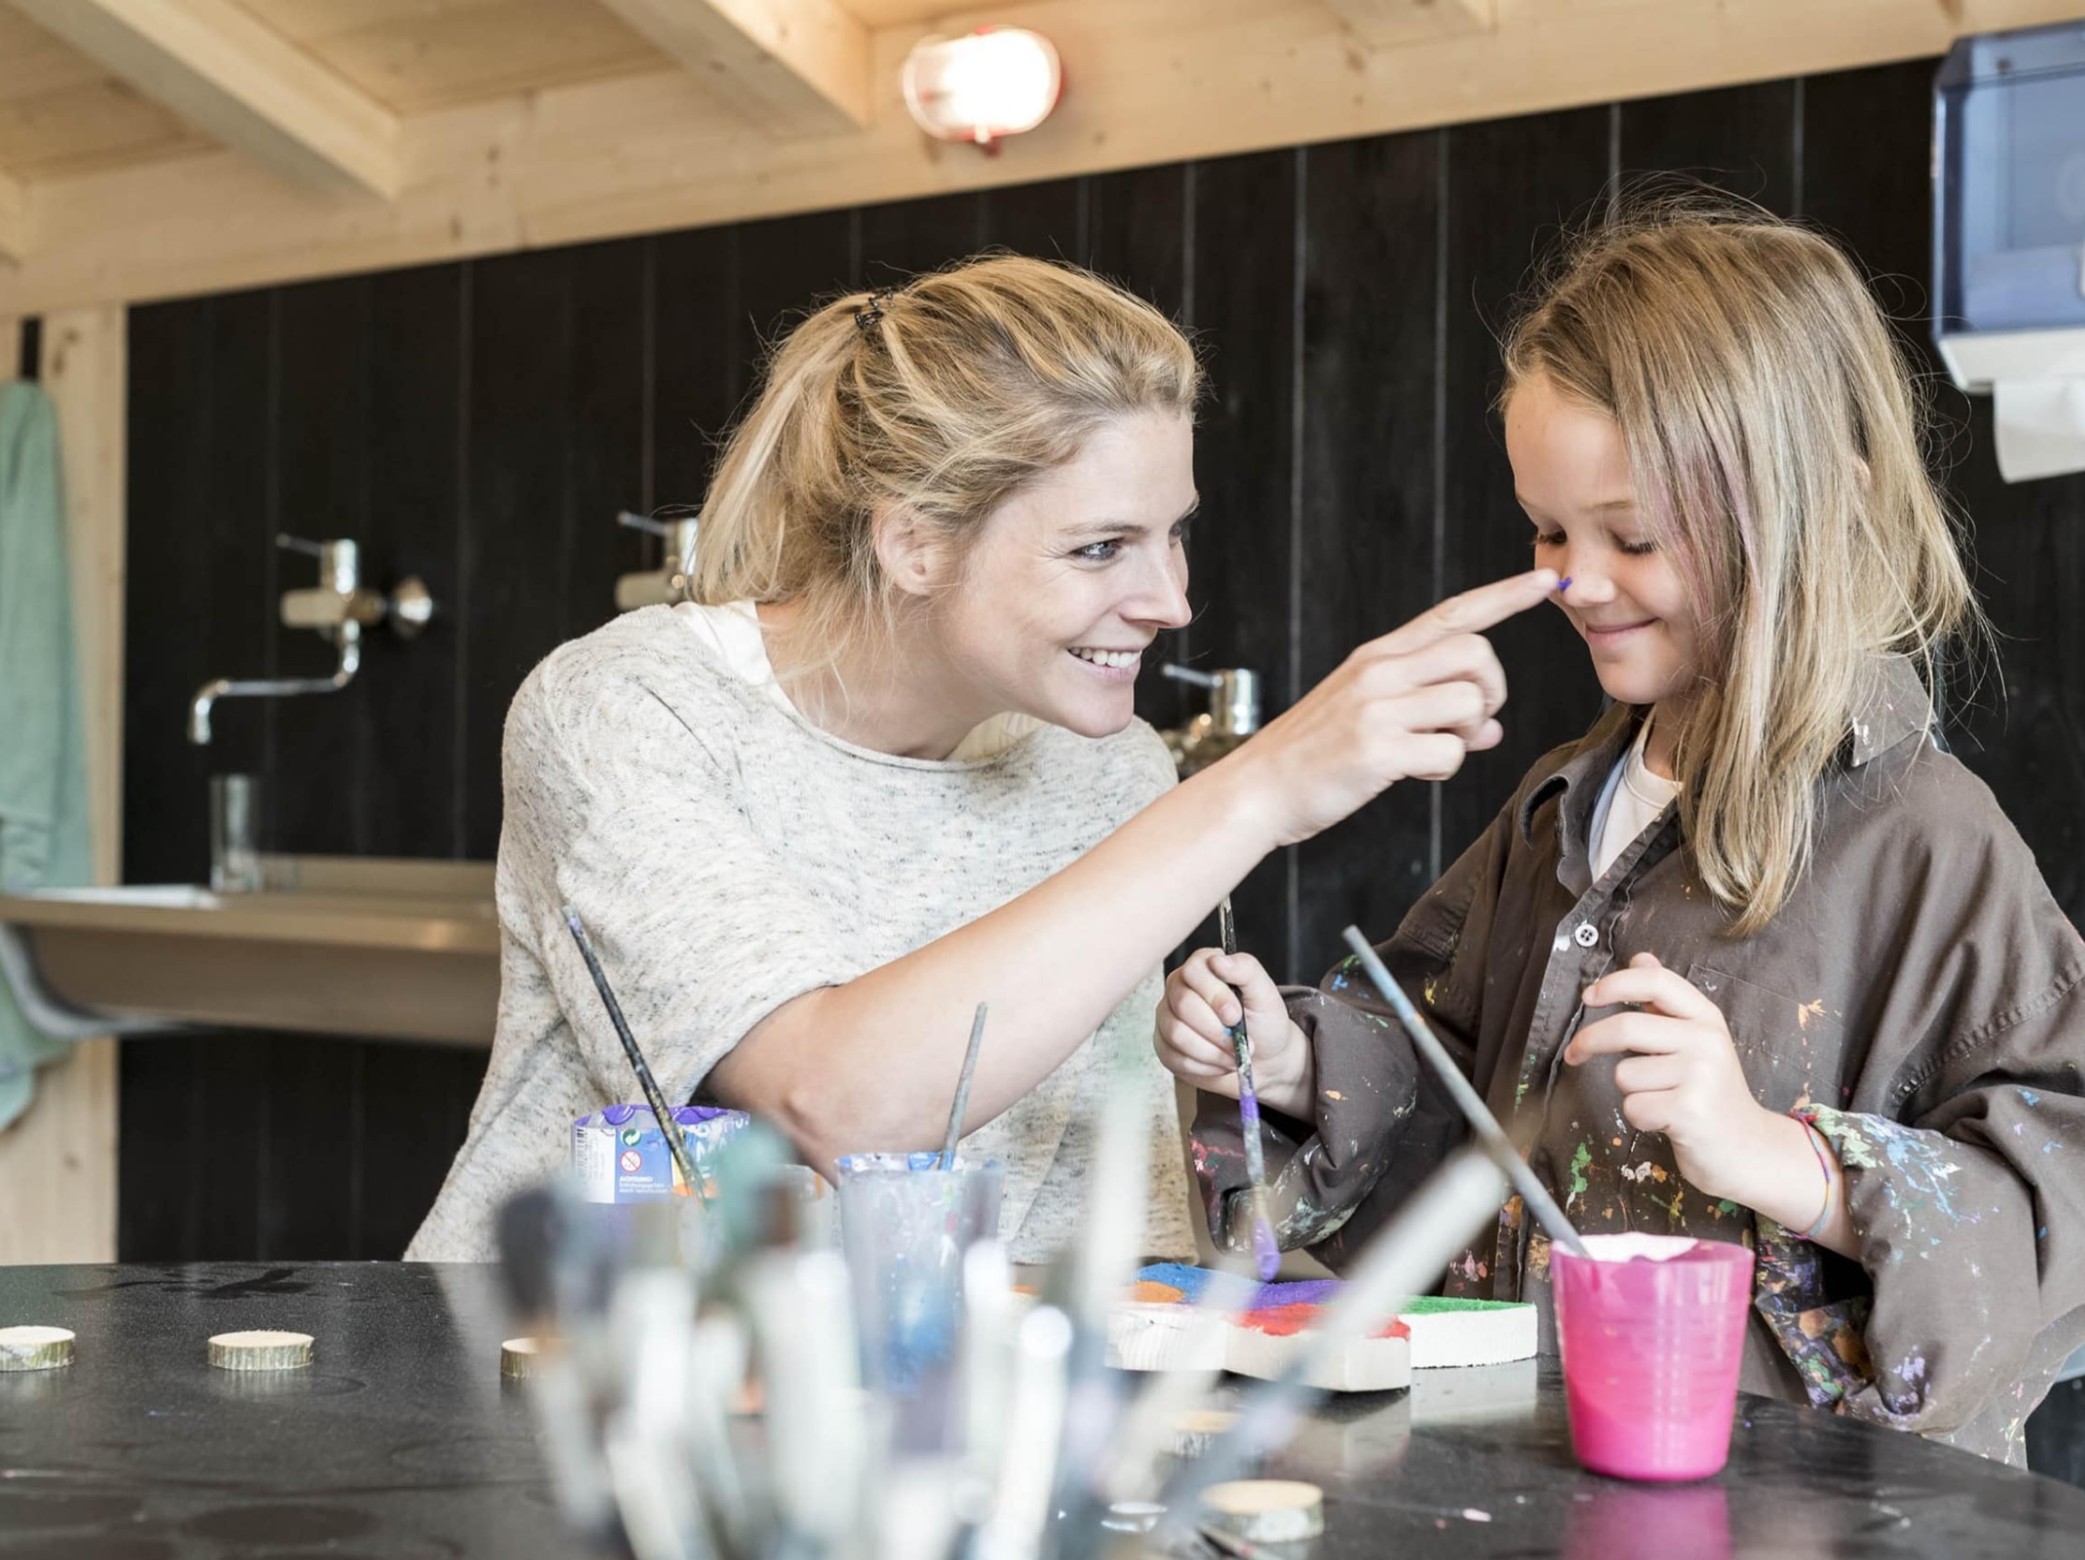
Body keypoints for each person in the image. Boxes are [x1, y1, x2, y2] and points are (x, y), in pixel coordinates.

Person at [1157, 203, 2085, 1463]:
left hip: (1804, 1515)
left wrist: (1779, 1156)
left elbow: (2060, 1203)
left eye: (1633, 536)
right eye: (1549, 530)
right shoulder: (1562, 809)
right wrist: (1285, 1061)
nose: (1577, 581)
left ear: (1807, 517)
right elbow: (1451, 1092)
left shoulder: (1929, 839)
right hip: (1535, 1469)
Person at [409, 255, 1558, 1264]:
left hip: (988, 1425)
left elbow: (1144, 1213)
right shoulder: (630, 707)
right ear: (912, 539)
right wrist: (1256, 789)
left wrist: (1237, 1083)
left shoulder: (1111, 773)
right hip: (582, 1401)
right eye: (1101, 547)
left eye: (1175, 534)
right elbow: (833, 1103)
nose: (1170, 601)